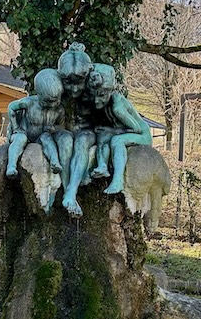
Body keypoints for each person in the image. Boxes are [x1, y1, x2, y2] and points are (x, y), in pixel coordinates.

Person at [86, 64, 152, 195]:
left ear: (110, 91)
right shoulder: (104, 104)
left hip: (142, 135)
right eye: (94, 96)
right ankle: (102, 166)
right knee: (103, 136)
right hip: (124, 132)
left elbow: (136, 128)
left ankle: (118, 180)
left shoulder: (117, 107)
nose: (96, 101)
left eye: (101, 95)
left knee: (116, 140)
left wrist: (112, 131)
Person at [56, 43, 95, 216]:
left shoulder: (95, 91)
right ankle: (69, 194)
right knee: (65, 141)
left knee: (82, 141)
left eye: (79, 83)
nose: (74, 89)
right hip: (63, 131)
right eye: (68, 83)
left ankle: (71, 193)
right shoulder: (55, 91)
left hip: (87, 133)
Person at [5, 68, 66, 181]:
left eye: (55, 101)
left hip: (40, 136)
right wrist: (16, 127)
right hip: (24, 132)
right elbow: (11, 107)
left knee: (47, 138)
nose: (51, 105)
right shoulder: (29, 103)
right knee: (20, 139)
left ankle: (55, 162)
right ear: (39, 94)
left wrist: (53, 128)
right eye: (47, 101)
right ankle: (11, 166)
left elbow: (61, 127)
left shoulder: (59, 110)